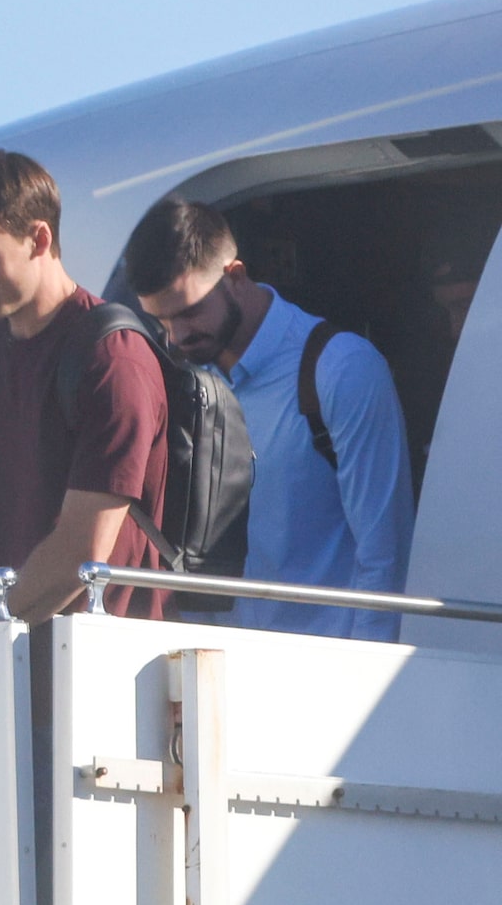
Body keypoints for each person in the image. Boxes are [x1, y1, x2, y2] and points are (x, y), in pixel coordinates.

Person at [125, 197, 414, 640]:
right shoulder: (184, 381)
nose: (176, 335)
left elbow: (384, 555)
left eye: (188, 311)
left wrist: (365, 681)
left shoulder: (340, 368)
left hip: (327, 670)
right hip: (220, 668)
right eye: (160, 320)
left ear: (235, 276)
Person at [0, 150, 170, 620]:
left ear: (39, 238)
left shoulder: (112, 357)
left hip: (98, 661)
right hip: (3, 651)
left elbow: (82, 552)